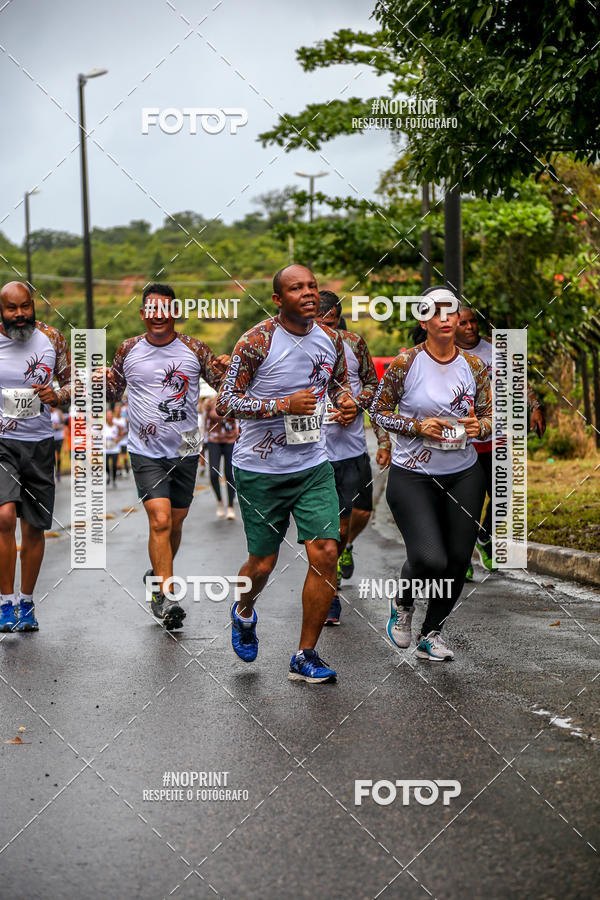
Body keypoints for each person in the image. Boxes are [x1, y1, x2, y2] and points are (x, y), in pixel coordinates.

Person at [216, 264, 357, 683]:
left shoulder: (331, 339)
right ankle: (243, 610)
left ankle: (305, 654)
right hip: (260, 469)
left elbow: (339, 387)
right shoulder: (257, 340)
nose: (309, 293)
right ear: (278, 299)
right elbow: (226, 400)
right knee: (262, 564)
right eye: (297, 288)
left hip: (313, 464)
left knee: (326, 553)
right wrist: (280, 405)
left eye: (312, 286)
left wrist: (347, 403)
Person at [370, 286, 492, 661]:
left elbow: (489, 416)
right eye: (434, 312)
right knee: (430, 560)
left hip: (464, 473)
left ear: (457, 319)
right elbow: (378, 411)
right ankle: (403, 603)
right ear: (423, 320)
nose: (444, 318)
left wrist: (479, 428)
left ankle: (431, 633)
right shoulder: (407, 363)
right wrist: (417, 426)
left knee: (457, 561)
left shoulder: (474, 366)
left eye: (450, 311)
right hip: (414, 476)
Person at [97, 283, 228, 630]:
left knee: (176, 522)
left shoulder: (195, 348)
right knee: (160, 520)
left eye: (165, 309)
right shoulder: (128, 349)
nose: (158, 316)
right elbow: (113, 389)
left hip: (185, 448)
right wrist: (101, 379)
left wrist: (230, 367)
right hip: (144, 450)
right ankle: (166, 596)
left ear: (174, 313)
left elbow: (224, 385)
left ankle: (157, 573)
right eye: (151, 310)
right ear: (143, 314)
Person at [315, 290, 391, 625]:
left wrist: (355, 406)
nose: (326, 331)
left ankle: (345, 549)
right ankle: (329, 596)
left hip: (352, 448)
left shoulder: (354, 343)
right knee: (333, 526)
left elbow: (374, 388)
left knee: (360, 514)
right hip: (315, 454)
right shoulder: (293, 346)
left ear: (338, 317)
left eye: (331, 323)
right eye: (319, 323)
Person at [0, 282, 71, 633]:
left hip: (40, 442)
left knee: (34, 526)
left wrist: (56, 394)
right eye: (12, 308)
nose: (20, 314)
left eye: (25, 306)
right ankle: (4, 602)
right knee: (4, 516)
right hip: (2, 442)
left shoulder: (52, 338)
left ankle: (26, 603)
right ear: (2, 309)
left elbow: (76, 382)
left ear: (33, 305)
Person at [455, 304, 546, 574]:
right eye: (464, 324)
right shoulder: (447, 353)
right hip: (465, 440)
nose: (471, 327)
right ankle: (461, 558)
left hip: (498, 436)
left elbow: (518, 381)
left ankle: (484, 538)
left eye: (473, 322)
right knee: (467, 500)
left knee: (502, 496)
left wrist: (535, 406)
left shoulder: (496, 349)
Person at [204, 395, 239, 519]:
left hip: (230, 441)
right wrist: (203, 440)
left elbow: (239, 418)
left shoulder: (234, 399)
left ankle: (230, 506)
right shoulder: (210, 403)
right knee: (213, 474)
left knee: (229, 474)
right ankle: (220, 501)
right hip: (214, 441)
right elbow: (205, 421)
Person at [104, 409, 120, 486]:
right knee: (106, 465)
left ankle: (113, 480)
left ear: (112, 416)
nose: (109, 417)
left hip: (115, 449)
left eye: (110, 415)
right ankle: (108, 476)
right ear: (106, 417)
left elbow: (121, 434)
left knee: (114, 465)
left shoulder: (116, 426)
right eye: (108, 416)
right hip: (106, 449)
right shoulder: (103, 426)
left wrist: (118, 439)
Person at [113, 401, 129, 476]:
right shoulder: (113, 420)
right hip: (116, 441)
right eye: (116, 409)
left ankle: (126, 466)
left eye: (118, 409)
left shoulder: (124, 419)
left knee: (124, 456)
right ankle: (118, 470)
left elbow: (128, 429)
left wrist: (123, 433)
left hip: (123, 441)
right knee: (117, 456)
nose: (117, 411)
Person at [50, 408, 65, 481]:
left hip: (59, 437)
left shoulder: (59, 412)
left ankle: (58, 471)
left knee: (58, 455)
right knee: (51, 456)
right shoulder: (46, 413)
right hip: (50, 438)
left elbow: (63, 425)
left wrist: (57, 427)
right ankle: (52, 472)